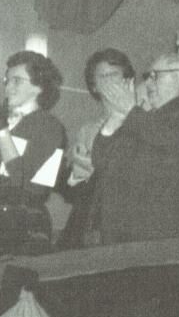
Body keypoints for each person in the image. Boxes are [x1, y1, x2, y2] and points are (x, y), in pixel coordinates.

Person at [95, 53, 179, 245]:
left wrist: (130, 110)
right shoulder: (142, 118)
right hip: (118, 236)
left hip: (161, 235)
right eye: (147, 77)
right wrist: (115, 119)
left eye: (155, 76)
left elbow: (170, 138)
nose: (148, 83)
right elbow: (100, 160)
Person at [0, 52, 67, 261]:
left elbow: (20, 177)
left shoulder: (48, 125)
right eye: (7, 80)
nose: (8, 87)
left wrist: (1, 128)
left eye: (17, 80)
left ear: (39, 86)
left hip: (25, 222)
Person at [55, 49, 136, 249]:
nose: (109, 82)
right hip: (90, 222)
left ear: (127, 80)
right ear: (94, 86)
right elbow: (71, 192)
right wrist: (77, 175)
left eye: (114, 75)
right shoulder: (88, 130)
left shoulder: (142, 121)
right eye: (103, 77)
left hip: (127, 223)